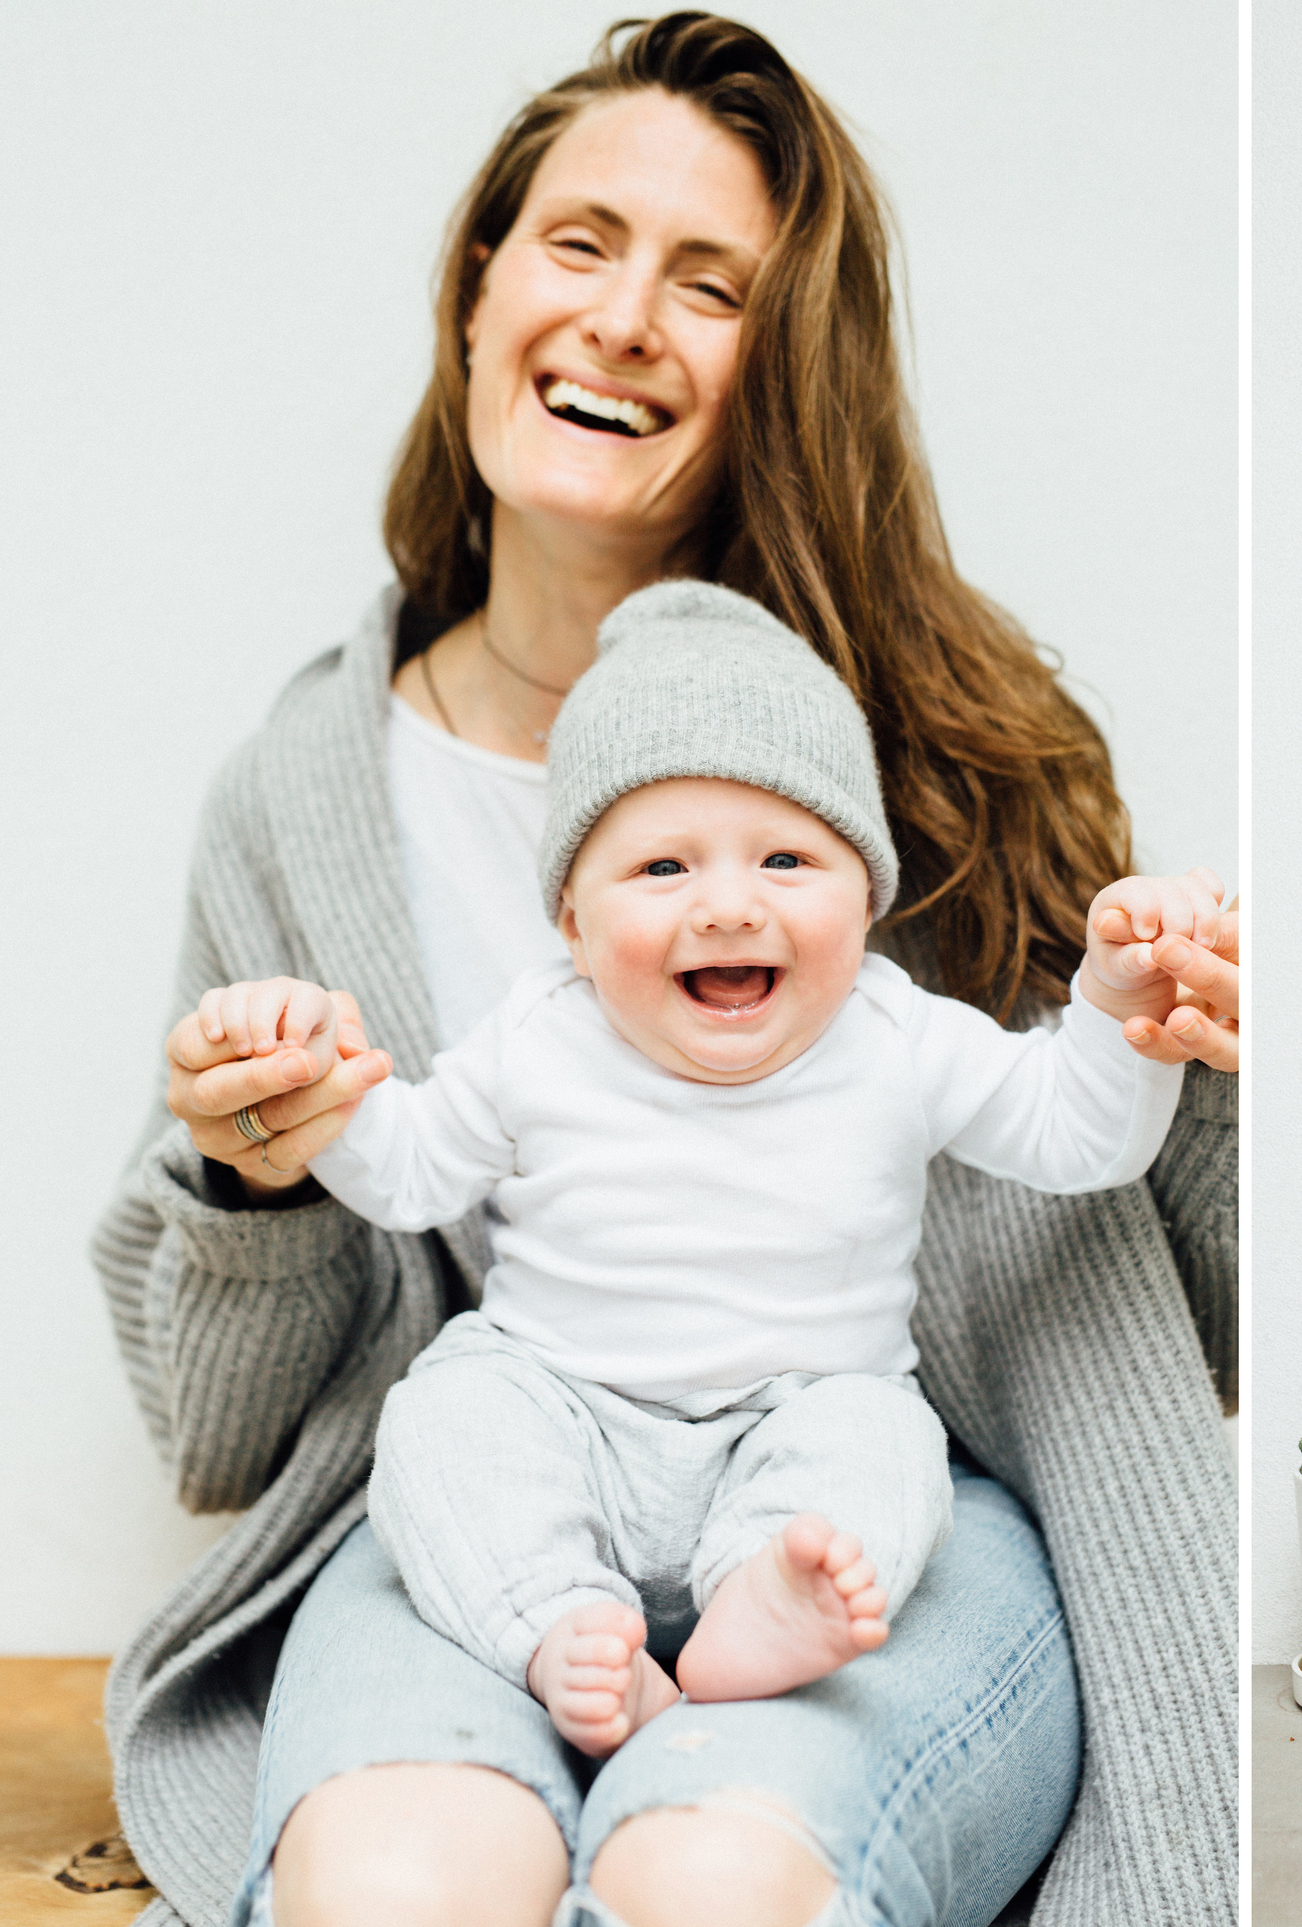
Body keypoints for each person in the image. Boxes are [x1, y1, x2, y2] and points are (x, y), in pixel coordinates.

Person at [91, 16, 1237, 1927]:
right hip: (485, 1522)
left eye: (710, 287)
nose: (626, 317)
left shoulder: (950, 754)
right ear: (476, 290)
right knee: (394, 1886)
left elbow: (1173, 1249)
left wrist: (1177, 1033)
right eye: (578, 243)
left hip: (876, 1529)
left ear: (779, 373)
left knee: (711, 1877)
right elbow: (217, 1435)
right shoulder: (294, 802)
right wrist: (256, 1168)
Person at [185, 583, 1211, 1763]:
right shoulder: (541, 1034)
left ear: (866, 899)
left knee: (882, 1446)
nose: (728, 905)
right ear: (571, 920)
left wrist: (1115, 1001)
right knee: (441, 1423)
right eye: (663, 869)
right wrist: (307, 1081)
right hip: (559, 1398)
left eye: (786, 857)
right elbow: (410, 1172)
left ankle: (764, 1599)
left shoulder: (895, 1033)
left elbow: (1076, 1135)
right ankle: (555, 1621)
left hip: (797, 1407)